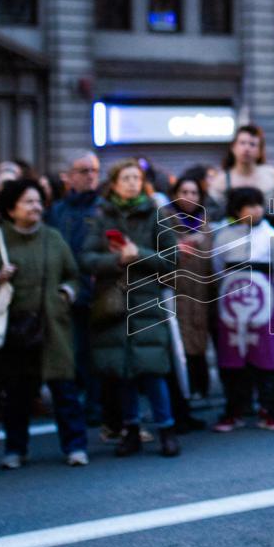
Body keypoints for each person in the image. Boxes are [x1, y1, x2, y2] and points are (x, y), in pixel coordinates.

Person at [0, 179, 89, 469]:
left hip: (53, 327)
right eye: (28, 201)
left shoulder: (53, 237)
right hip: (16, 329)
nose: (35, 207)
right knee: (16, 394)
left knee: (64, 391)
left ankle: (75, 446)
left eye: (38, 201)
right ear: (10, 208)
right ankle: (15, 449)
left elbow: (73, 274)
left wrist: (66, 293)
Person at [80, 159, 181, 457]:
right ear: (114, 183)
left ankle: (166, 429)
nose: (132, 183)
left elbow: (171, 258)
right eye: (125, 178)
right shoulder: (101, 216)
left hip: (147, 300)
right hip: (112, 302)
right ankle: (131, 430)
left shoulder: (156, 213)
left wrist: (139, 255)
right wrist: (115, 260)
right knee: (121, 371)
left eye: (136, 177)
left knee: (152, 370)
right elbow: (85, 258)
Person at [211, 187, 274, 433]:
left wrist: (265, 291)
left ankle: (268, 408)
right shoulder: (223, 236)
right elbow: (217, 268)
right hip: (231, 307)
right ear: (237, 209)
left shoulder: (272, 235)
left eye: (258, 204)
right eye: (249, 205)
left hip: (263, 306)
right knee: (232, 358)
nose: (256, 209)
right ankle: (234, 410)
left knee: (265, 356)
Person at [47, 151, 103, 425]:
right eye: (83, 171)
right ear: (67, 177)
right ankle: (79, 400)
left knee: (96, 351)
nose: (90, 176)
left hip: (101, 291)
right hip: (69, 292)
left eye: (93, 170)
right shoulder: (57, 211)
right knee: (75, 350)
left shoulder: (105, 208)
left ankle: (97, 403)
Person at [164, 176, 215, 400]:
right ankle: (184, 393)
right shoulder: (165, 223)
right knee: (180, 343)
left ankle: (201, 389)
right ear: (175, 194)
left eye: (194, 192)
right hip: (175, 293)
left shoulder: (206, 225)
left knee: (200, 341)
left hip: (203, 294)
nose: (190, 197)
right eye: (184, 191)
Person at [207, 126, 274, 209]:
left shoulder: (272, 174)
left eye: (252, 144)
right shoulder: (221, 179)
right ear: (233, 147)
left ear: (260, 151)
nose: (247, 148)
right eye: (242, 143)